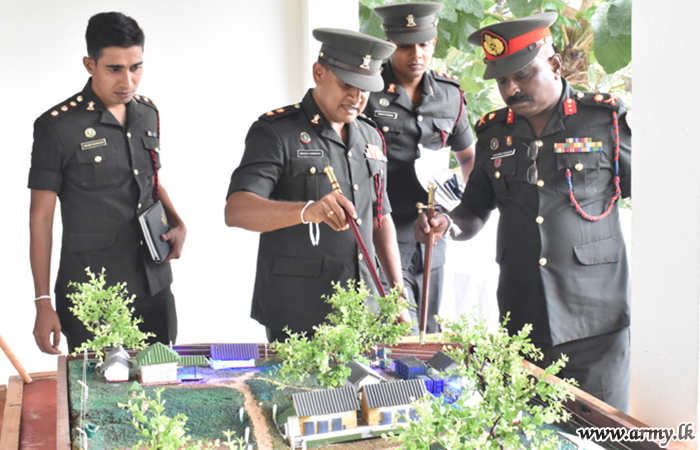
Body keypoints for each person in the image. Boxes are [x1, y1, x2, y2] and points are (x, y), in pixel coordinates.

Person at [415, 12, 632, 411]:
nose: (511, 88)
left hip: (595, 323)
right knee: (527, 429)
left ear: (555, 64)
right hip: (523, 318)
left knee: (600, 432)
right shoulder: (495, 133)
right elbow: (474, 208)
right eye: (502, 81)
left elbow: (656, 197)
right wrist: (447, 224)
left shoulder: (604, 120)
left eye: (522, 75)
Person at [225, 29, 409, 343]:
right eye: (346, 84)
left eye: (365, 88)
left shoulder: (372, 136)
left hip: (364, 308)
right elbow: (237, 210)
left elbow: (381, 217)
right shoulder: (277, 131)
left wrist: (397, 295)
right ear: (319, 73)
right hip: (300, 310)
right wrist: (308, 211)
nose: (357, 98)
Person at [29, 12, 186, 355]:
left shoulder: (147, 113)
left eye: (136, 67)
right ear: (90, 65)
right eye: (114, 69)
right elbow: (40, 217)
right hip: (94, 292)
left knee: (162, 378)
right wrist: (42, 302)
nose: (128, 81)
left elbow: (151, 180)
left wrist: (177, 221)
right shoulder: (57, 127)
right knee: (100, 387)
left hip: (154, 283)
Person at [366, 2, 475, 333]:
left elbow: (468, 157)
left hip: (431, 236)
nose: (416, 54)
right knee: (392, 334)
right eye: (404, 46)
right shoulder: (367, 90)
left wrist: (459, 210)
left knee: (428, 332)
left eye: (424, 44)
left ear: (434, 42)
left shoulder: (449, 94)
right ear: (389, 44)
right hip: (382, 235)